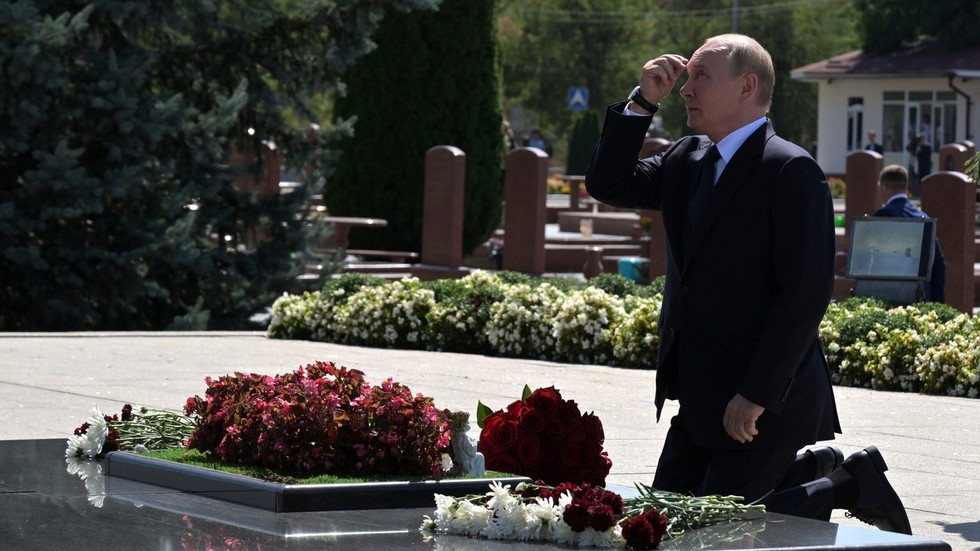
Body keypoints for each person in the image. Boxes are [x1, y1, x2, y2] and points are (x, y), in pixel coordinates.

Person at [586, 34, 911, 534]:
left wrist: (756, 393)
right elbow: (608, 183)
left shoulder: (789, 168)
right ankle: (821, 471)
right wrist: (642, 101)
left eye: (700, 77)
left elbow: (804, 294)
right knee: (659, 524)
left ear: (747, 86)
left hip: (761, 401)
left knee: (719, 533)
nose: (686, 89)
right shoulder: (685, 158)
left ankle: (846, 484)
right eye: (686, 76)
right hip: (698, 394)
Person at [874, 164, 946, 303]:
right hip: (922, 297)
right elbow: (938, 264)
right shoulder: (922, 216)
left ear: (885, 187)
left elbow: (878, 259)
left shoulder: (884, 214)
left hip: (893, 297)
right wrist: (937, 303)